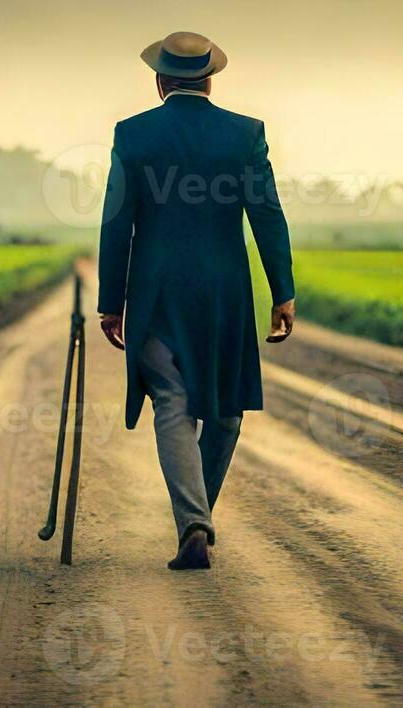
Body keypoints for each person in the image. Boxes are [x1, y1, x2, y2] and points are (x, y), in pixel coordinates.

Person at [95, 31, 296, 571]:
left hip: (157, 294)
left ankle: (193, 522)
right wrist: (283, 292)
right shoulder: (245, 134)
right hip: (226, 293)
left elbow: (117, 223)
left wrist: (111, 302)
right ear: (210, 78)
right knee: (225, 413)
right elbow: (267, 215)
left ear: (160, 80)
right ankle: (195, 522)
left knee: (172, 401)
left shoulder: (133, 134)